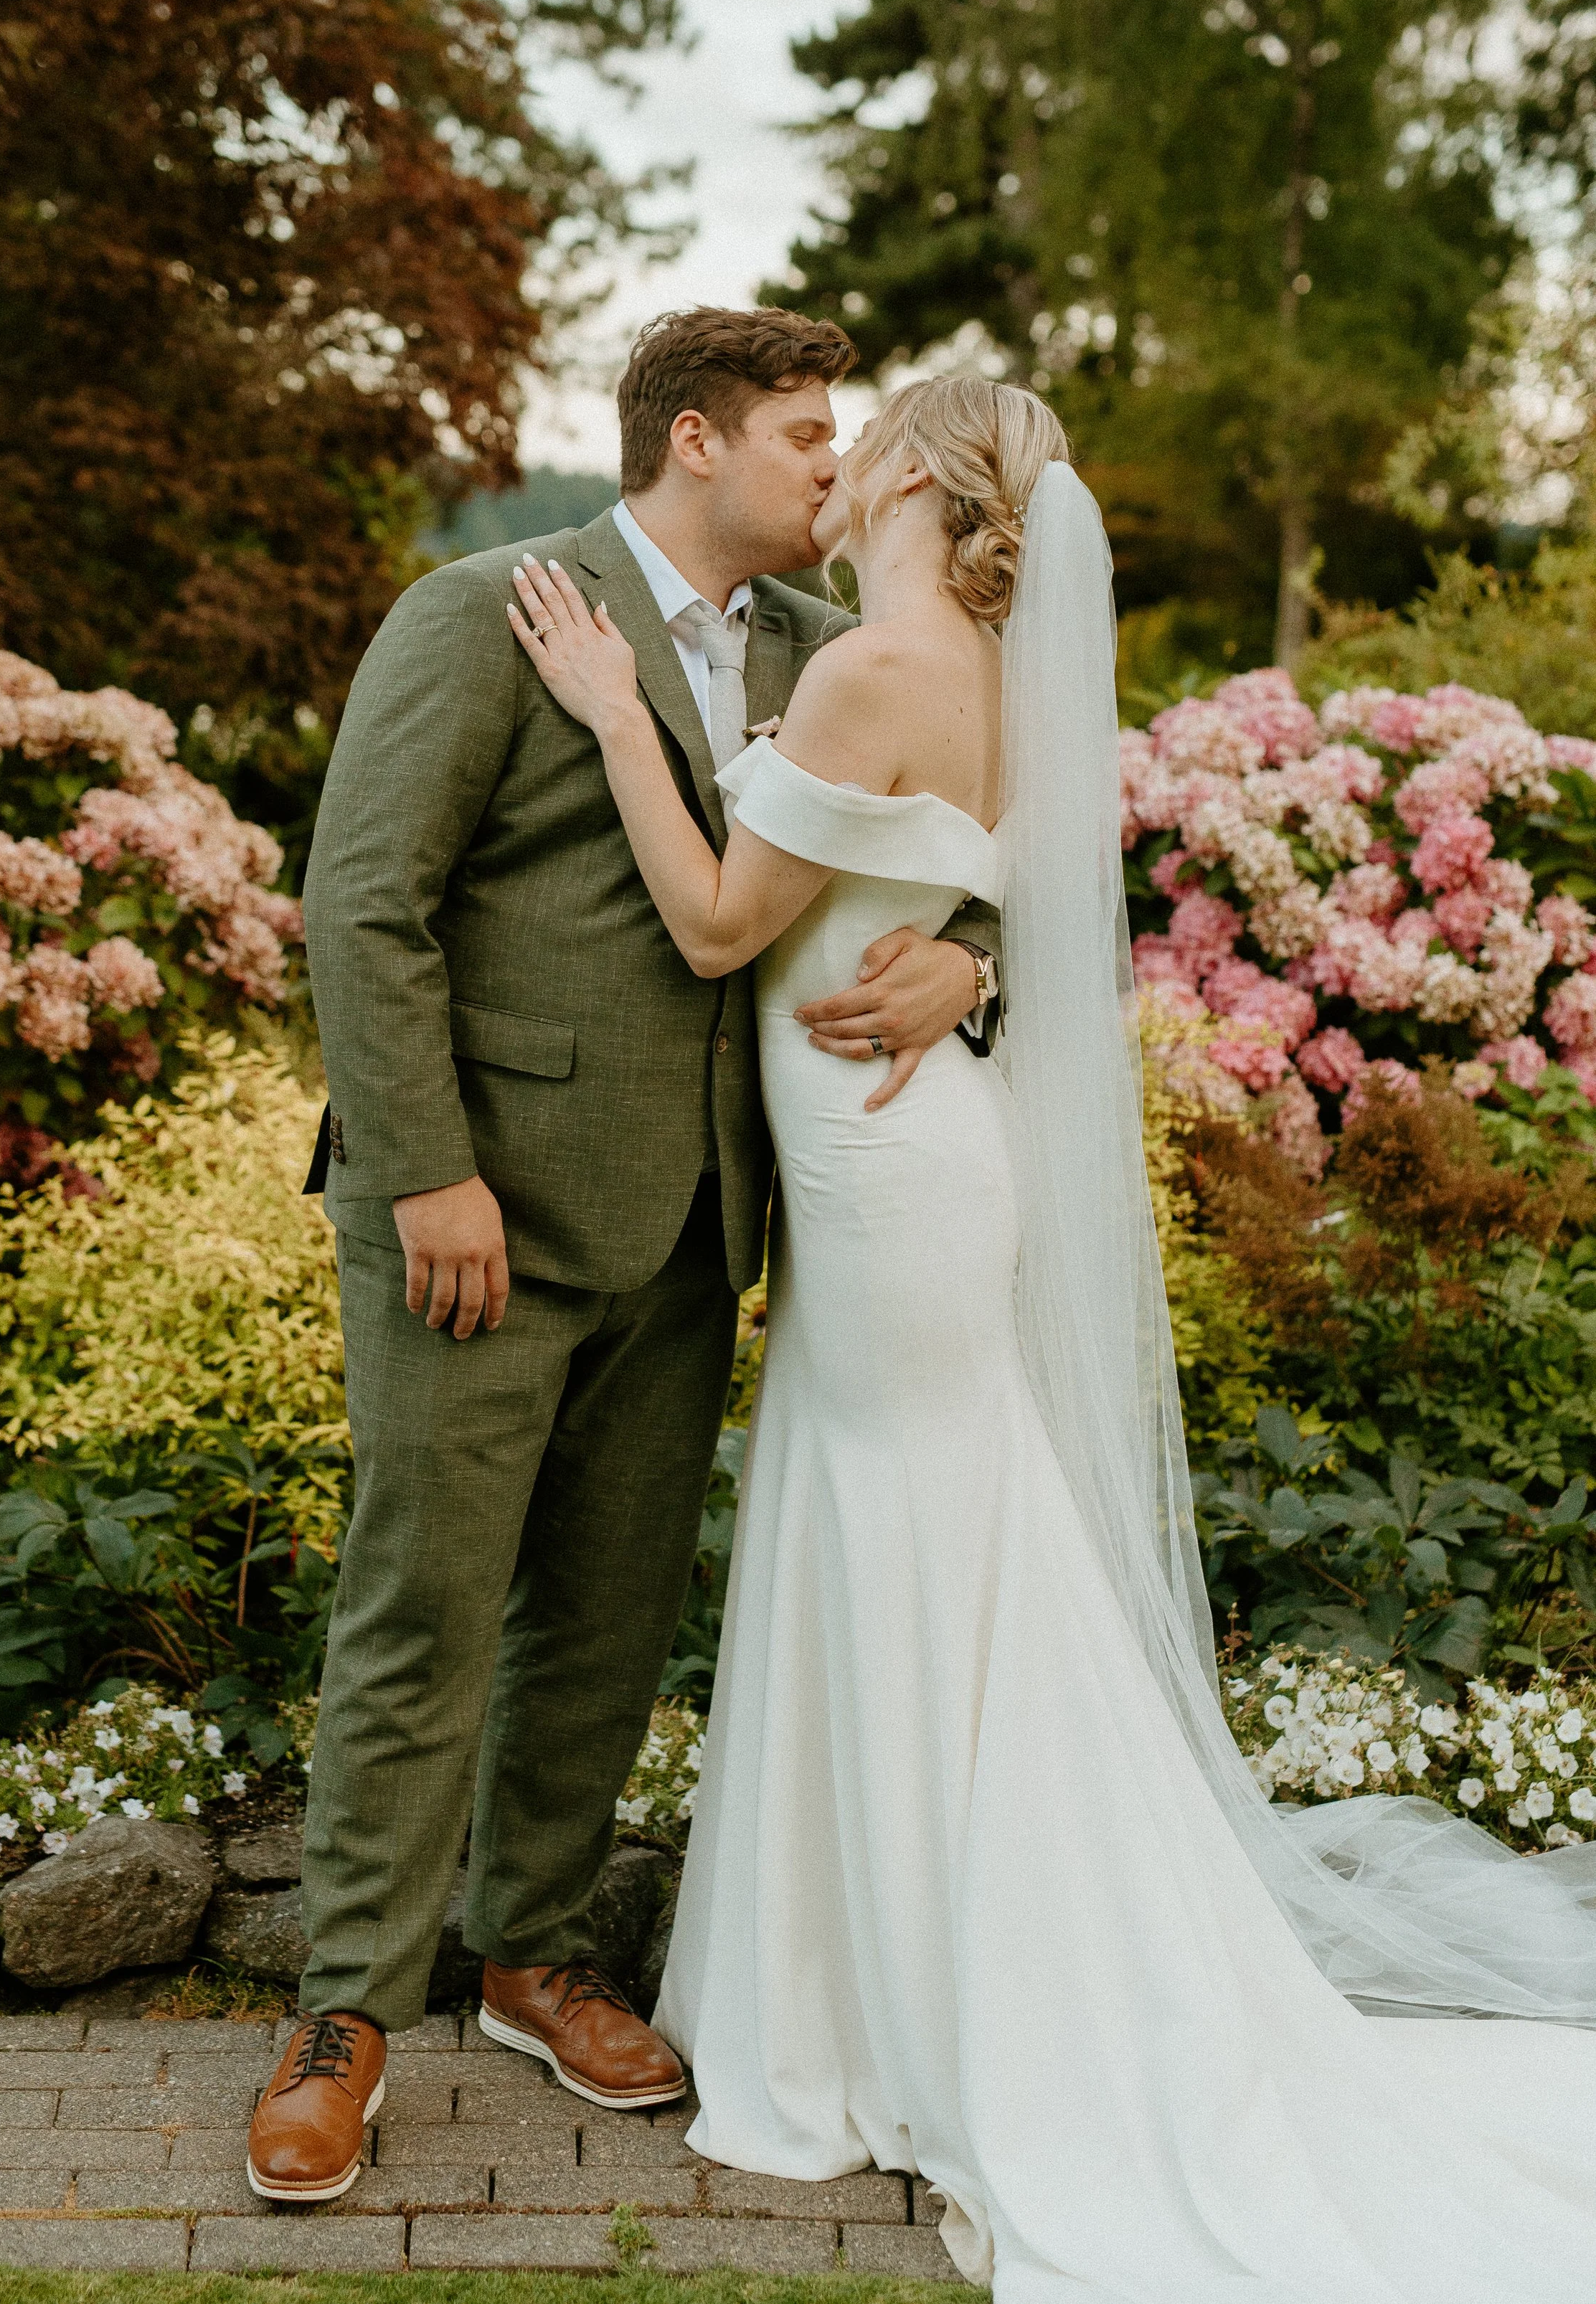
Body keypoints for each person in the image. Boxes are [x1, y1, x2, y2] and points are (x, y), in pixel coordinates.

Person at [507, 370, 1596, 2300]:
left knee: (920, 1547)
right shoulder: (974, 676)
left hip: (881, 1173)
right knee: (914, 1538)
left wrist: (614, 719)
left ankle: (942, 2012)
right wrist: (959, 949)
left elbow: (707, 924)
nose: (833, 468)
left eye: (865, 440)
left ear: (927, 475)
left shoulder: (868, 671)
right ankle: (876, 1995)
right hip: (913, 1158)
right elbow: (956, 886)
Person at [244, 308, 1005, 2204]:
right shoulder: (482, 611)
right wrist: (423, 1168)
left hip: (705, 1227)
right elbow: (365, 898)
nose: (833, 469)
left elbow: (1020, 850)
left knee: (599, 1623)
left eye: (845, 438)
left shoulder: (827, 653)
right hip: (475, 1221)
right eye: (803, 435)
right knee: (424, 1607)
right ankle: (343, 2014)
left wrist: (970, 962)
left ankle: (527, 1954)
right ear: (689, 443)